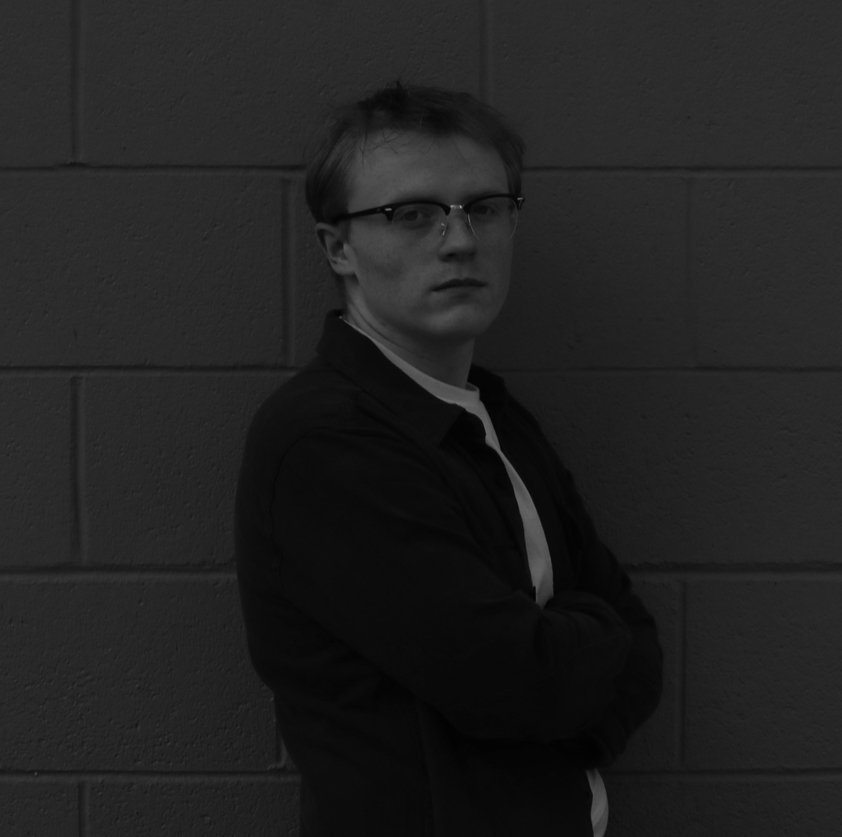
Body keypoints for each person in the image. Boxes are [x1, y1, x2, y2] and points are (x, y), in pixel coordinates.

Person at [235, 81, 663, 837]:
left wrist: (575, 665)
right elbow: (516, 683)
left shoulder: (493, 415)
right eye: (412, 214)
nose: (460, 240)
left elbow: (641, 648)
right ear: (339, 248)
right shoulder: (325, 444)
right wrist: (586, 655)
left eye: (484, 208)